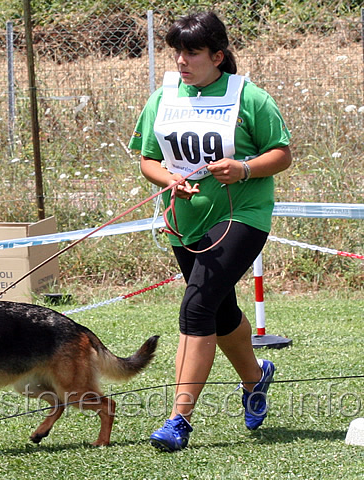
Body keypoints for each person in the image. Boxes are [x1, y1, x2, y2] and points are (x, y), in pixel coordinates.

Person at [128, 11, 292, 452]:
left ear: (217, 56)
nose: (181, 60)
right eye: (177, 51)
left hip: (243, 214)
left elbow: (282, 153)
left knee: (197, 308)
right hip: (184, 220)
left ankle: (178, 420)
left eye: (192, 52)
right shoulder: (162, 98)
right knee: (219, 313)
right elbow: (147, 159)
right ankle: (256, 379)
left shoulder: (250, 98)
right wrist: (168, 180)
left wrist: (242, 169)